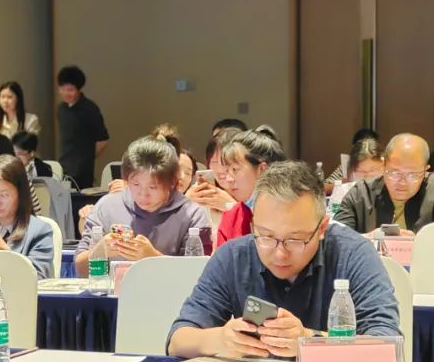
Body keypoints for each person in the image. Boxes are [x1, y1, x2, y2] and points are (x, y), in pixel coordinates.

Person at [167, 161, 399, 359]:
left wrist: (309, 341)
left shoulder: (353, 254)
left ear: (321, 229)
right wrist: (219, 339)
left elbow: (387, 344)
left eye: (295, 240)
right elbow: (177, 340)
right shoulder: (233, 256)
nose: (280, 254)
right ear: (253, 225)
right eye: (266, 237)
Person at [75, 137, 210, 275]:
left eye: (153, 187)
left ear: (172, 182)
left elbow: (198, 275)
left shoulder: (192, 215)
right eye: (136, 184)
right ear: (126, 179)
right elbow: (80, 269)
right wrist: (100, 251)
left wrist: (151, 258)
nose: (143, 194)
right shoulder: (107, 206)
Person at [334, 133, 434, 236]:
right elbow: (335, 239)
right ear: (383, 165)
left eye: (412, 175)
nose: (402, 182)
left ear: (425, 170)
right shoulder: (361, 192)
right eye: (395, 173)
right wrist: (368, 239)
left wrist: (419, 243)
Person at [216, 127, 287, 247]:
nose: (229, 179)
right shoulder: (231, 217)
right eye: (227, 171)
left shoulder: (291, 212)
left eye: (235, 169)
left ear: (262, 170)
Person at [56, 65, 109, 189]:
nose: (66, 93)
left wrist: (87, 158)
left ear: (79, 89)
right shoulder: (61, 109)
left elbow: (103, 140)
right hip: (64, 166)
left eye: (70, 89)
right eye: (63, 89)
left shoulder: (89, 109)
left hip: (83, 171)